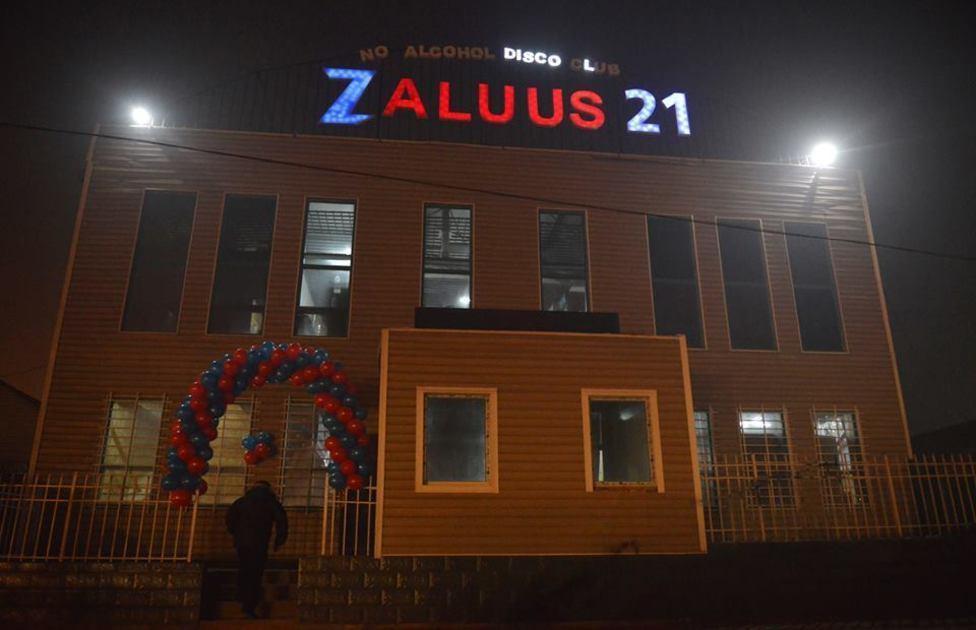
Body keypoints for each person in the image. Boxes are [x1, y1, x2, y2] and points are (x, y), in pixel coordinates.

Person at [225, 480, 288, 619]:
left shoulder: (241, 501)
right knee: (255, 573)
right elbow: (281, 521)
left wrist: (236, 534)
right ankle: (248, 606)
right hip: (260, 543)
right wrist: (279, 540)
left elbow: (230, 519)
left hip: (242, 543)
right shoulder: (270, 502)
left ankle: (240, 595)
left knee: (244, 568)